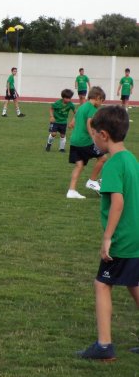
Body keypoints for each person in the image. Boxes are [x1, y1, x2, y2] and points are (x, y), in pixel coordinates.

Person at [77, 105, 139, 361]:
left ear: (103, 134)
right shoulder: (131, 159)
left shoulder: (113, 164)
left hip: (122, 238)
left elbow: (118, 202)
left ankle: (104, 346)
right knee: (134, 284)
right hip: (136, 236)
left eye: (93, 134)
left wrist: (107, 238)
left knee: (102, 284)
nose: (92, 139)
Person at [66, 86, 108, 199]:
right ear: (98, 98)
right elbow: (89, 123)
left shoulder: (82, 106)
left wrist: (71, 124)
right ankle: (92, 181)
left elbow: (73, 121)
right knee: (103, 157)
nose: (101, 104)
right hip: (85, 141)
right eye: (102, 101)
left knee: (79, 165)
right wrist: (93, 137)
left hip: (74, 141)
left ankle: (71, 191)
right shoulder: (92, 109)